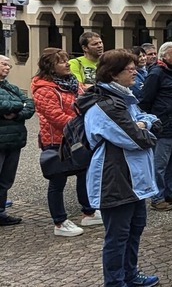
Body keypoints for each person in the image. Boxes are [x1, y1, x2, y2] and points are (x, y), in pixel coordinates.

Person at [81, 49, 161, 287]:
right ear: (114, 74)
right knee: (117, 236)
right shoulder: (105, 104)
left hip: (133, 177)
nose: (136, 71)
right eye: (130, 68)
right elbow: (138, 138)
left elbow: (150, 122)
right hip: (114, 176)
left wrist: (144, 123)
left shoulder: (124, 98)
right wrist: (145, 126)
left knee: (135, 227)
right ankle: (115, 282)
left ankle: (130, 274)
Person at [32, 48, 103, 236]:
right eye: (62, 61)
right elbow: (56, 117)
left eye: (66, 60)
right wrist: (82, 122)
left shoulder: (73, 83)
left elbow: (85, 101)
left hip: (77, 137)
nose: (67, 64)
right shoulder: (44, 89)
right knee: (57, 181)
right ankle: (60, 222)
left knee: (84, 172)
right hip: (57, 141)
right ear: (50, 67)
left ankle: (88, 211)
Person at [139, 42, 172, 211]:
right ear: (164, 56)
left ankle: (170, 192)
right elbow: (146, 101)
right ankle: (157, 197)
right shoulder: (156, 73)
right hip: (164, 127)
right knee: (159, 164)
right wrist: (155, 120)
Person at [0, 56, 35, 226]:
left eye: (9, 65)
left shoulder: (12, 88)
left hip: (14, 141)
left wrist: (17, 112)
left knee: (6, 179)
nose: (8, 68)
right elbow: (3, 106)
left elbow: (29, 104)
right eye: (4, 64)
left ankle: (1, 212)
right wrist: (17, 106)